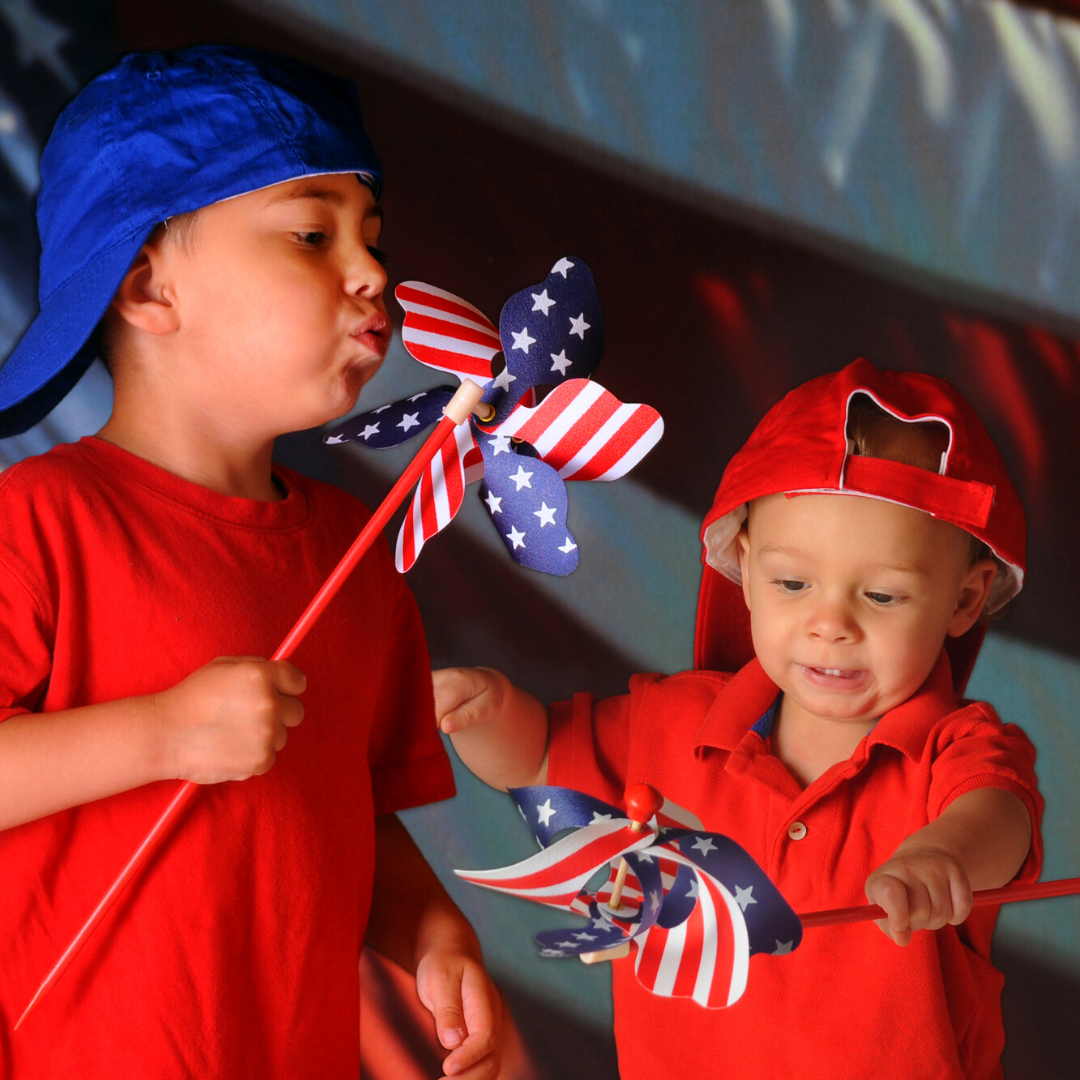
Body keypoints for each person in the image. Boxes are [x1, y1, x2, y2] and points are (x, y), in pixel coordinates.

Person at [0, 47, 499, 1079]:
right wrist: (161, 733)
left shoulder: (358, 560)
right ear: (145, 284)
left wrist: (429, 932)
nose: (371, 274)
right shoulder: (35, 523)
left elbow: (343, 818)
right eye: (312, 234)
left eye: (373, 238)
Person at [436, 358, 1042, 1079]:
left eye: (881, 597)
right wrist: (489, 716)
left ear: (966, 602)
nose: (830, 625)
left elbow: (999, 815)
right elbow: (538, 760)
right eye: (793, 584)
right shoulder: (673, 721)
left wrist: (944, 855)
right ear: (745, 569)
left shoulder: (956, 749)